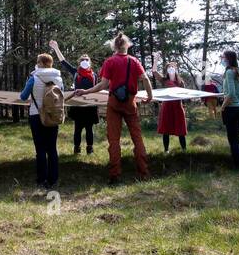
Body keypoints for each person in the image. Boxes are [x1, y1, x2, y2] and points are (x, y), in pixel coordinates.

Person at [82, 32, 153, 183]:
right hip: (130, 103)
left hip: (114, 102)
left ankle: (115, 175)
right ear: (127, 45)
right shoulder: (134, 61)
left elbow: (103, 84)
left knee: (114, 140)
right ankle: (144, 173)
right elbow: (145, 79)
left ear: (114, 46)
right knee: (137, 138)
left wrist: (86, 91)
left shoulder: (110, 61)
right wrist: (150, 95)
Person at [20, 52, 64, 189]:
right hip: (53, 115)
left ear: (40, 63)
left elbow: (23, 96)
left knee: (40, 149)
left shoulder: (33, 78)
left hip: (36, 114)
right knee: (52, 148)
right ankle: (54, 179)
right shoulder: (58, 78)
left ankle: (42, 179)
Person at [50, 39, 98, 154]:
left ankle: (89, 148)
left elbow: (98, 88)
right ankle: (77, 148)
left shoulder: (95, 75)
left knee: (89, 129)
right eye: (83, 60)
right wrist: (56, 48)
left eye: (87, 60)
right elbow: (63, 62)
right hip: (78, 106)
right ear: (79, 62)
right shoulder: (75, 73)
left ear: (89, 62)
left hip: (90, 106)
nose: (85, 61)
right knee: (77, 129)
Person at [151, 56, 189, 153]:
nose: (171, 68)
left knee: (181, 130)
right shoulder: (164, 81)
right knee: (165, 129)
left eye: (173, 67)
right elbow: (154, 72)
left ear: (176, 69)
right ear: (167, 70)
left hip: (177, 108)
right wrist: (156, 59)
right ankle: (166, 150)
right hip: (166, 108)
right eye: (169, 67)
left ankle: (184, 150)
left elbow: (185, 94)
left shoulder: (180, 82)